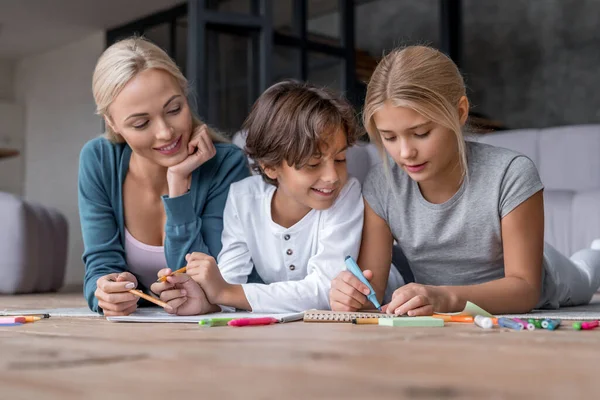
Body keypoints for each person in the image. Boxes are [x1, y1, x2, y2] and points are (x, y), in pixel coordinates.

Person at [329, 45, 600, 315]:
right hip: (447, 300)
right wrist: (352, 295)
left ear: (459, 112)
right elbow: (371, 290)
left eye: (421, 133)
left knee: (587, 273)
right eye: (389, 137)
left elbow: (525, 290)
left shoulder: (510, 173)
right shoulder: (382, 185)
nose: (405, 152)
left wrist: (444, 297)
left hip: (546, 279)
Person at [79, 37, 249, 316]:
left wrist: (179, 186)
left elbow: (214, 279)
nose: (165, 133)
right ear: (112, 123)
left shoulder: (226, 165)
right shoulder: (99, 160)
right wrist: (107, 292)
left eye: (174, 109)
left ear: (184, 94)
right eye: (141, 123)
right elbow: (100, 264)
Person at [179, 81, 364, 313]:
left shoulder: (346, 194)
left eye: (340, 159)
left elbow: (326, 289)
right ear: (269, 167)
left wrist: (226, 293)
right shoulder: (243, 198)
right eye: (313, 163)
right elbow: (229, 280)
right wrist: (206, 297)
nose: (332, 176)